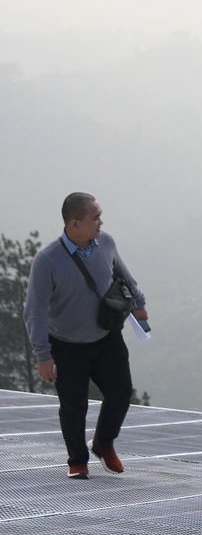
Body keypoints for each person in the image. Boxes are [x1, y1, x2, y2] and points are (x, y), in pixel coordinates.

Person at [24, 192, 149, 479]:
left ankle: (104, 443)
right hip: (67, 345)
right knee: (73, 405)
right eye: (95, 217)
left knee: (120, 392)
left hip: (106, 337)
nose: (101, 222)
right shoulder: (47, 261)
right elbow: (35, 311)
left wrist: (139, 305)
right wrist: (43, 355)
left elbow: (124, 276)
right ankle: (77, 460)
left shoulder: (105, 243)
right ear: (74, 223)